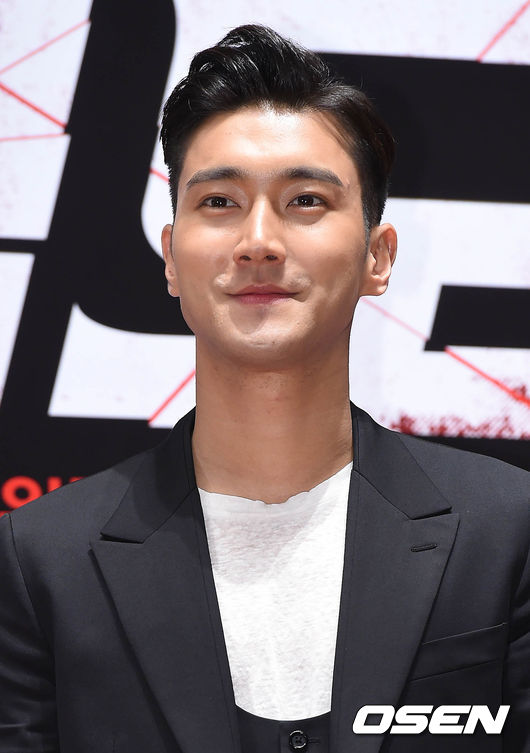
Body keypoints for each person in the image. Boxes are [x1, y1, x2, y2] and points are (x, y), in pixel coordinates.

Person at [0, 24, 528, 753]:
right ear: (170, 257)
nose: (258, 242)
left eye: (305, 200)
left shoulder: (507, 531)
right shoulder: (40, 558)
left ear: (377, 257)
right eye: (219, 202)